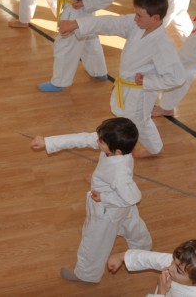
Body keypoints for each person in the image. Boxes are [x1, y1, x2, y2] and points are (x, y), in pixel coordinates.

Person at [58, 0, 185, 158]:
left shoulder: (162, 45)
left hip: (140, 92)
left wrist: (147, 81)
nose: (135, 18)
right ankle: (155, 149)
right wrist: (77, 23)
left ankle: (123, 155)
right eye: (135, 13)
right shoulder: (138, 25)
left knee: (133, 124)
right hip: (129, 88)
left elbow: (177, 77)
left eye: (140, 15)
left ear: (155, 18)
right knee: (140, 121)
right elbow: (110, 23)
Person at [31, 117, 152, 283]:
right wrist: (48, 142)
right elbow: (83, 138)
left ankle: (86, 274)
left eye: (101, 142)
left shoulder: (119, 173)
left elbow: (133, 197)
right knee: (131, 224)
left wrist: (104, 196)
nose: (96, 142)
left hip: (106, 210)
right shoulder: (117, 149)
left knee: (94, 242)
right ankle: (142, 248)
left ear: (116, 151)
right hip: (121, 207)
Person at [107, 238, 196, 296]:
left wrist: (161, 291)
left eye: (178, 270)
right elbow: (152, 258)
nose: (170, 268)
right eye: (173, 261)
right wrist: (123, 256)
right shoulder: (186, 266)